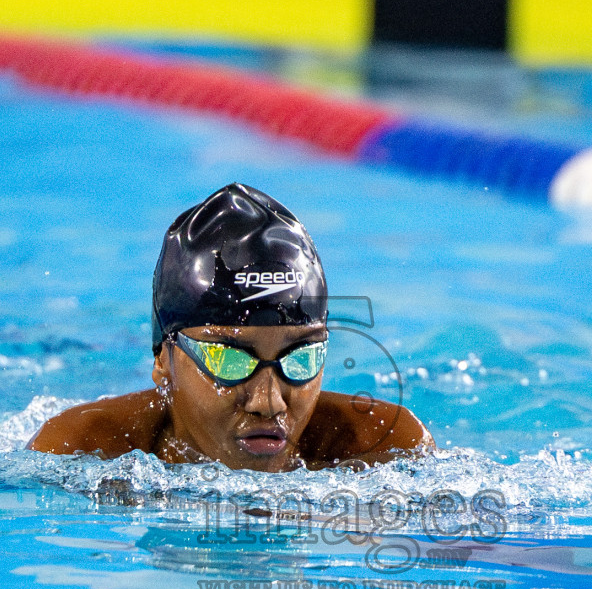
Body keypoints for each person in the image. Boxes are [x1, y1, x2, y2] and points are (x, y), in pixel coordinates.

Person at [30, 183, 431, 471]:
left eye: (301, 358)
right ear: (163, 360)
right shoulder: (83, 452)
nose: (268, 402)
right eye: (229, 359)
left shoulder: (384, 449)